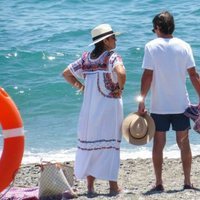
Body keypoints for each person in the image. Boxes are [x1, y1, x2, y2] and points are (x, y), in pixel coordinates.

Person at [137, 11, 200, 191]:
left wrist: (141, 101)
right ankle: (187, 182)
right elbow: (194, 75)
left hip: (159, 105)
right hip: (181, 104)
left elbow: (147, 76)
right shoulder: (184, 46)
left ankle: (158, 183)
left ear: (157, 27)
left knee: (158, 144)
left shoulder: (151, 46)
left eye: (153, 28)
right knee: (184, 143)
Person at [62, 24, 126, 196]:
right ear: (105, 40)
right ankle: (113, 187)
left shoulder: (85, 58)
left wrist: (82, 88)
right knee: (111, 143)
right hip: (109, 107)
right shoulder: (112, 57)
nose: (116, 40)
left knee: (90, 144)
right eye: (113, 37)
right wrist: (120, 88)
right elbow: (121, 73)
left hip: (89, 110)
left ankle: (90, 188)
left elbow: (66, 73)